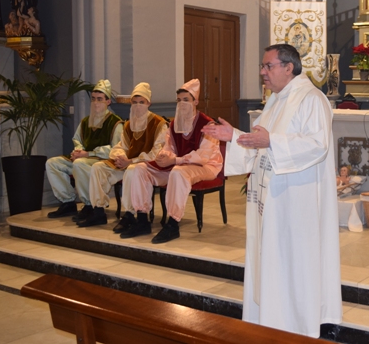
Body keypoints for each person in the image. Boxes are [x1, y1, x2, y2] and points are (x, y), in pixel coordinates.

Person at [202, 43, 342, 338]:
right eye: (262, 67)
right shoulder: (276, 100)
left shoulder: (312, 99)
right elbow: (260, 141)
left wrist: (271, 143)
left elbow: (318, 145)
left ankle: (296, 325)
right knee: (272, 258)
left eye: (268, 66)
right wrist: (234, 136)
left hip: (296, 199)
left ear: (289, 67)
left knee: (294, 260)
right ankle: (272, 320)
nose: (262, 72)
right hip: (272, 199)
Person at [127, 79, 222, 242]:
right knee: (139, 169)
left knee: (178, 173)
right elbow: (169, 146)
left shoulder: (208, 124)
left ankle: (172, 224)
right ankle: (142, 220)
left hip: (206, 166)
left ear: (196, 101)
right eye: (179, 100)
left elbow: (203, 156)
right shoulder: (173, 124)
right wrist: (164, 156)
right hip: (178, 164)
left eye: (186, 100)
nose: (182, 104)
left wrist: (175, 161)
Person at [78, 82, 168, 228]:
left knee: (133, 170)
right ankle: (98, 211)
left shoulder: (159, 124)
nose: (138, 106)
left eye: (141, 102)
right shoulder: (129, 123)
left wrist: (131, 161)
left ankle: (129, 214)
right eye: (134, 102)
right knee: (98, 167)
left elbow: (156, 153)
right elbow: (121, 146)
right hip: (127, 163)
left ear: (149, 103)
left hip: (147, 166)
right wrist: (120, 157)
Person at [46, 80, 123, 220]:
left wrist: (89, 154)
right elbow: (77, 140)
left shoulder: (115, 123)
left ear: (108, 102)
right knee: (53, 163)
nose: (96, 103)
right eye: (93, 99)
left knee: (79, 164)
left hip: (103, 161)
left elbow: (116, 149)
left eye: (100, 99)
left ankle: (90, 205)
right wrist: (78, 151)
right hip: (84, 158)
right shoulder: (86, 121)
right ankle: (67, 202)